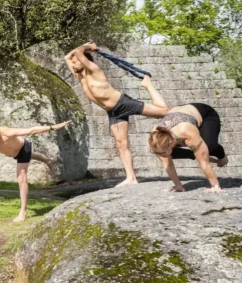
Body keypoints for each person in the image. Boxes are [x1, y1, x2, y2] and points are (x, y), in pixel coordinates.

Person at [66, 43, 169, 186]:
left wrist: (88, 46)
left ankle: (148, 85)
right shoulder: (79, 76)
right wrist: (76, 54)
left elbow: (77, 51)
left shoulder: (94, 71)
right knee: (121, 144)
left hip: (123, 103)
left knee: (164, 112)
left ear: (85, 61)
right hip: (113, 112)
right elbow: (67, 56)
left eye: (75, 61)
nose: (73, 64)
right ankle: (131, 178)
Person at [0, 117, 71, 222]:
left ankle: (23, 213)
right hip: (15, 153)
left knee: (21, 178)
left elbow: (32, 130)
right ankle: (47, 160)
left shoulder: (7, 132)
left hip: (23, 147)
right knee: (32, 156)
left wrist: (54, 126)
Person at [148, 103, 228, 193]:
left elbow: (203, 162)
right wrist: (178, 185)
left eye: (162, 152)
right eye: (158, 153)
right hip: (180, 115)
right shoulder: (156, 137)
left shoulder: (186, 131)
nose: (160, 155)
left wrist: (215, 186)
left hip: (205, 114)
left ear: (171, 143)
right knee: (168, 155)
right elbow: (167, 165)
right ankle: (193, 154)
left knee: (208, 148)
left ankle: (222, 156)